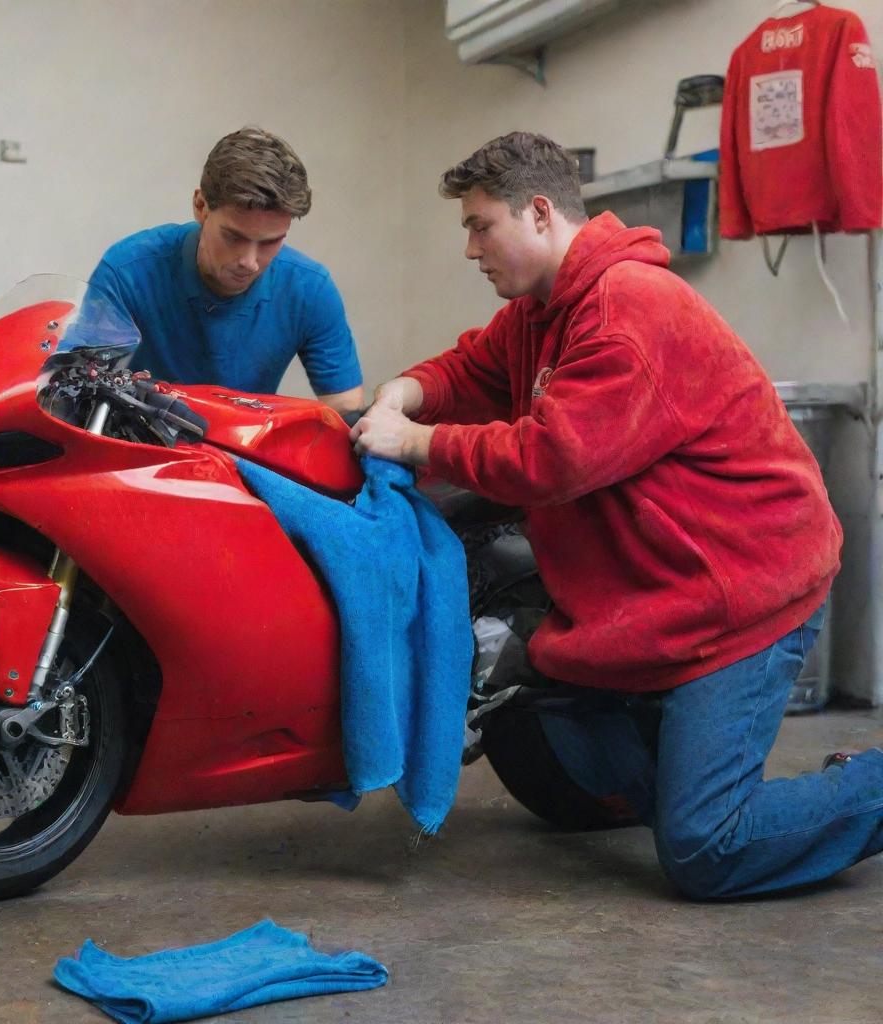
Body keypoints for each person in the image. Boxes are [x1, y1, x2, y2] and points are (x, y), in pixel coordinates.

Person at [349, 131, 883, 900]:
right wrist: (405, 390)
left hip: (743, 598)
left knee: (706, 849)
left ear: (538, 214)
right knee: (561, 743)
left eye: (479, 224)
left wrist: (417, 441)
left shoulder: (627, 309)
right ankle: (689, 767)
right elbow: (472, 368)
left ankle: (855, 790)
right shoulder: (542, 309)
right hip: (660, 593)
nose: (470, 248)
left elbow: (550, 458)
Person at [84, 127, 363, 414]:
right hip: (145, 448)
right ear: (201, 206)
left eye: (270, 242)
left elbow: (344, 413)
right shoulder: (127, 271)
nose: (249, 261)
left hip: (244, 451)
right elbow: (78, 391)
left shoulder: (310, 289)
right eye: (234, 237)